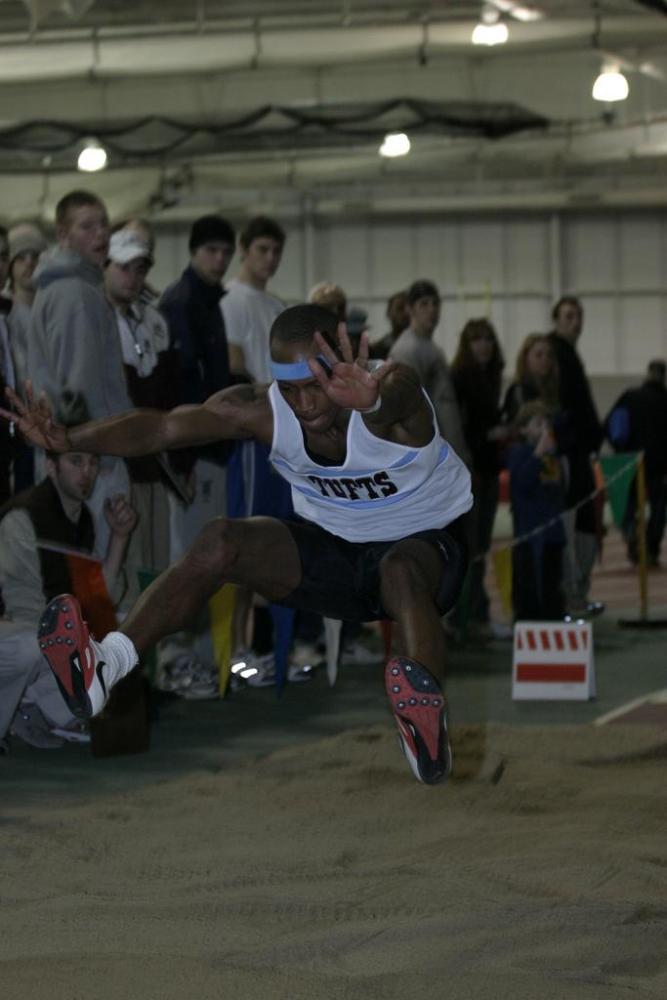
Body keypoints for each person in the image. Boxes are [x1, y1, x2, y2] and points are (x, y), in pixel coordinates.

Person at [3, 304, 472, 785]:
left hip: (428, 547)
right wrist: (67, 438)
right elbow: (162, 428)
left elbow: (400, 396)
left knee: (398, 570)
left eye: (316, 387)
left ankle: (425, 730)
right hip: (339, 555)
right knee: (220, 539)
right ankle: (108, 665)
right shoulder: (263, 410)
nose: (306, 406)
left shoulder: (388, 388)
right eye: (291, 391)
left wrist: (370, 403)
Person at [0, 395, 136, 751]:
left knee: (128, 628)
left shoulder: (81, 519)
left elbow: (97, 599)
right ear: (50, 466)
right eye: (76, 461)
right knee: (34, 645)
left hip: (39, 631)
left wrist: (119, 537)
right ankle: (25, 708)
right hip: (15, 631)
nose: (86, 472)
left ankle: (38, 713)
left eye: (92, 462)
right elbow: (21, 609)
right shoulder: (23, 519)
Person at [26, 189, 133, 554]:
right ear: (63, 235)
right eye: (87, 226)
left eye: (103, 224)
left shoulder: (64, 287)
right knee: (95, 585)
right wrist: (92, 459)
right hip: (90, 462)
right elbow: (77, 387)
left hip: (72, 458)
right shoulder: (76, 294)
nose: (101, 234)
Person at [451, 318, 507, 635]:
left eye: (488, 339)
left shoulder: (490, 377)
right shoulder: (461, 378)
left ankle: (474, 613)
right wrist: (489, 435)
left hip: (486, 470)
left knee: (480, 546)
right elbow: (459, 430)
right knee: (471, 548)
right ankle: (468, 615)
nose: (483, 345)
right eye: (476, 339)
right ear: (466, 345)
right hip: (469, 472)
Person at [548, 297, 603, 616]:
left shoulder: (570, 355)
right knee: (571, 525)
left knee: (584, 523)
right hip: (568, 454)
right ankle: (571, 595)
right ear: (556, 319)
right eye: (569, 316)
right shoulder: (556, 353)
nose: (576, 322)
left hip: (580, 453)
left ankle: (578, 593)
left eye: (579, 316)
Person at [389, 279, 470, 465]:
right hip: (431, 453)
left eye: (435, 303)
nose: (432, 309)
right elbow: (411, 409)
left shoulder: (430, 347)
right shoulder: (407, 350)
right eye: (424, 304)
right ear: (410, 309)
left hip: (446, 446)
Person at [605, 358, 667, 566]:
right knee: (658, 506)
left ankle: (632, 531)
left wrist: (618, 449)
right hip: (659, 464)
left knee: (629, 502)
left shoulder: (630, 397)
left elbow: (610, 424)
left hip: (629, 459)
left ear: (648, 373)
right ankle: (650, 549)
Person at [508, 401, 566, 621]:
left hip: (552, 533)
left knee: (552, 583)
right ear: (523, 429)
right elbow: (522, 484)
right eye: (538, 423)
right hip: (529, 534)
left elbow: (558, 490)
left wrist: (553, 459)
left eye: (547, 423)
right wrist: (538, 455)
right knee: (529, 585)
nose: (544, 428)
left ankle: (554, 620)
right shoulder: (519, 453)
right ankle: (528, 624)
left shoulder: (551, 456)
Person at [6, 223, 48, 491]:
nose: (29, 263)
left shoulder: (53, 311)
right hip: (18, 427)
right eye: (21, 257)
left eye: (35, 257)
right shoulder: (5, 314)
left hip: (52, 425)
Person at [369, 290, 410, 360]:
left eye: (409, 309)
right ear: (389, 313)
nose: (406, 313)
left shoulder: (420, 347)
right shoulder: (379, 348)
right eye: (400, 308)